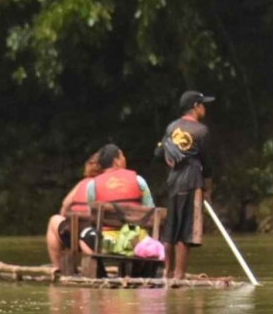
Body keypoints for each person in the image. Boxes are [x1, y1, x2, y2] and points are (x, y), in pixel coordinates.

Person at [45, 143, 154, 271]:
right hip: (136, 242)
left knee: (84, 236)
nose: (125, 158)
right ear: (117, 161)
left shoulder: (93, 185)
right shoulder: (139, 180)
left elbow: (93, 216)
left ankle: (91, 271)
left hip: (104, 244)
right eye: (123, 156)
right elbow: (151, 210)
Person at [161, 91, 216, 280]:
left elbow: (163, 155)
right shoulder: (201, 130)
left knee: (171, 229)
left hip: (174, 181)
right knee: (185, 232)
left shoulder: (171, 128)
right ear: (195, 107)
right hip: (192, 181)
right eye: (202, 104)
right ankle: (179, 275)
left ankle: (167, 273)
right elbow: (207, 165)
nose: (204, 108)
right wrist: (208, 189)